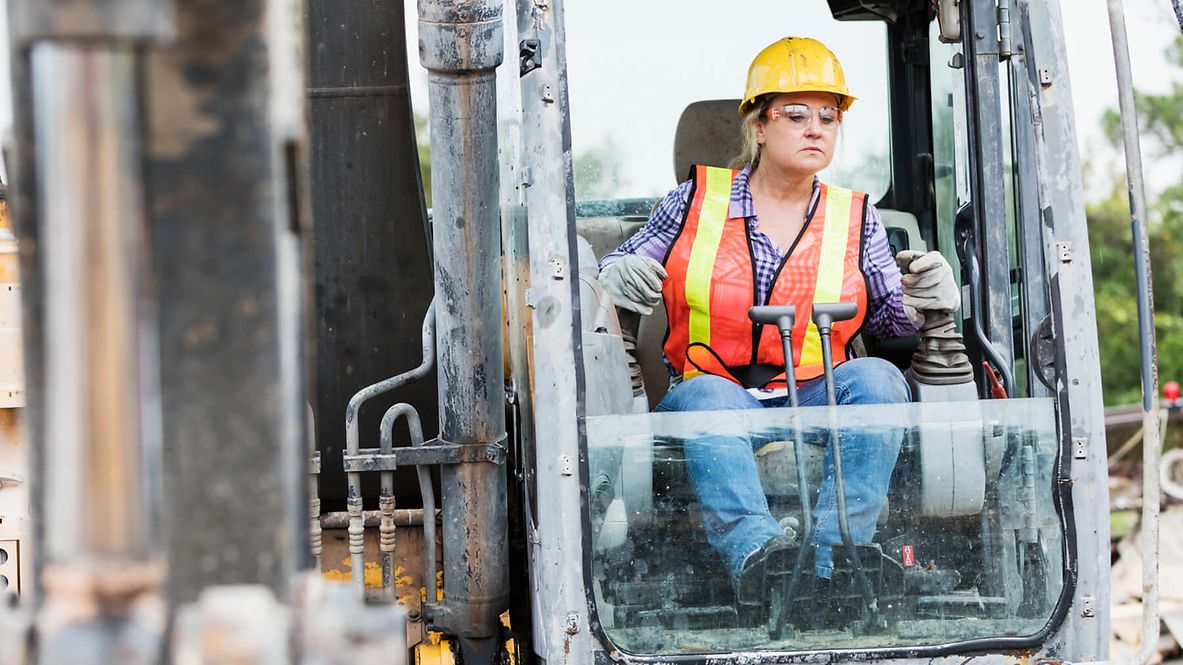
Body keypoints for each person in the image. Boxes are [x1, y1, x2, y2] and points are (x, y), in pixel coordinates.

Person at [597, 37, 960, 606]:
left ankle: (836, 562)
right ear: (758, 127)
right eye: (796, 115)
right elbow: (621, 265)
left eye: (828, 116)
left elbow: (892, 325)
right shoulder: (696, 200)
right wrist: (614, 274)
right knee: (710, 400)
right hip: (716, 392)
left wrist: (928, 297)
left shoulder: (855, 216)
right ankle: (759, 558)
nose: (816, 128)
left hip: (819, 391)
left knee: (880, 381)